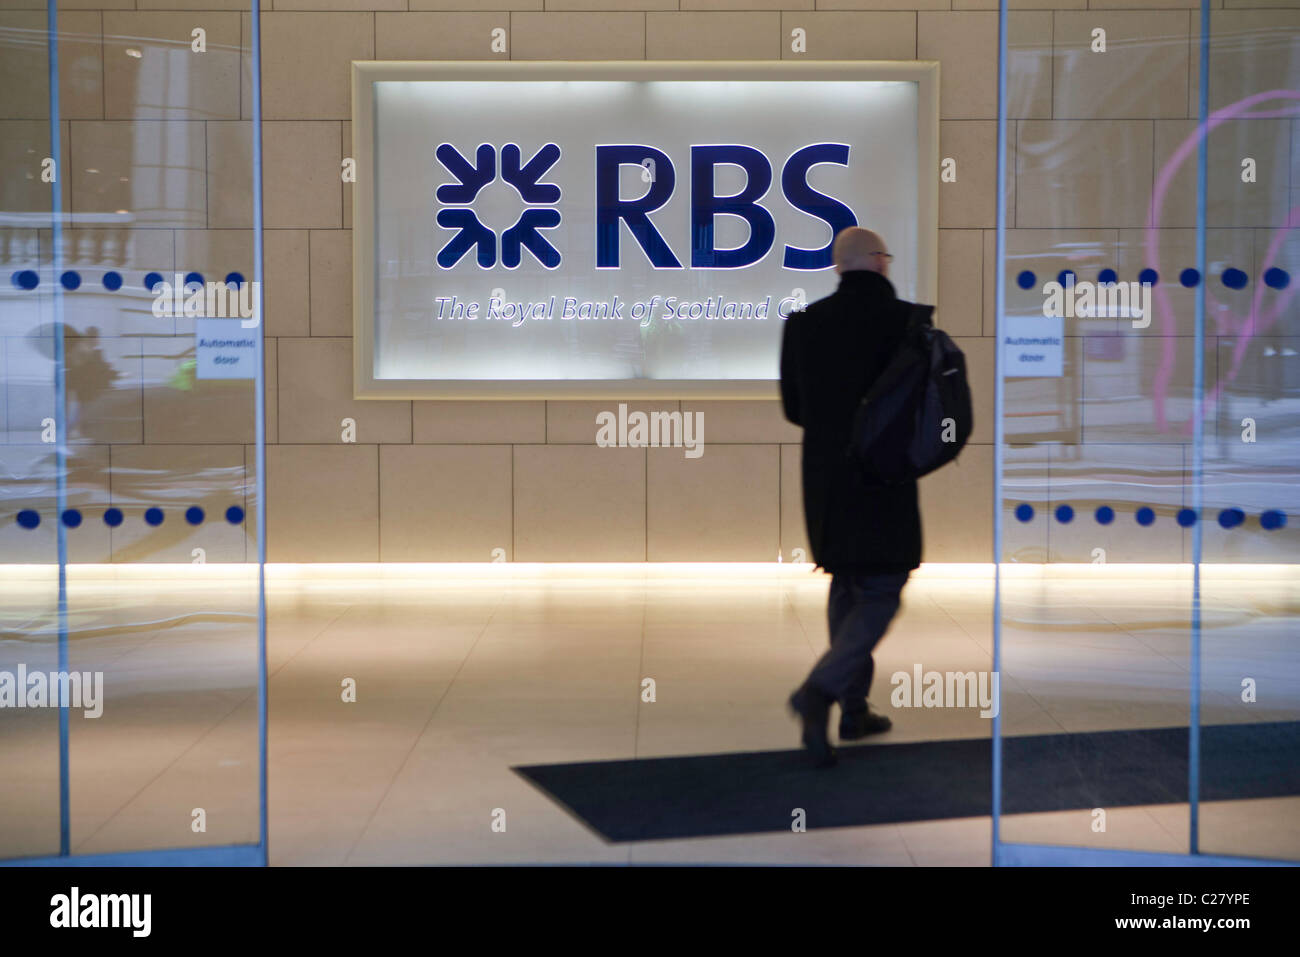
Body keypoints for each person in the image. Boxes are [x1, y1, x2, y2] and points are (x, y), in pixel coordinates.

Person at [780, 227, 922, 767]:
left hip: (828, 483)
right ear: (880, 265)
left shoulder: (804, 324)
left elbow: (795, 409)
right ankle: (820, 691)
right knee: (884, 585)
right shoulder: (908, 322)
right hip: (886, 478)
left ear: (840, 268)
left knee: (847, 581)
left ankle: (855, 710)